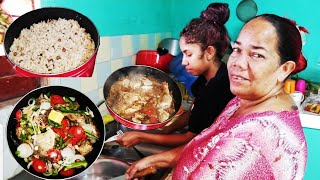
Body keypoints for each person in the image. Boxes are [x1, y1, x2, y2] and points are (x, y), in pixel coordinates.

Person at [125, 14, 308, 179]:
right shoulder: (242, 100)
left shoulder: (253, 140)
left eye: (257, 55)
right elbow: (204, 145)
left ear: (284, 69)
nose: (238, 63)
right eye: (237, 50)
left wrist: (145, 141)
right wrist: (157, 161)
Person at [116, 3, 235, 147]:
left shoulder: (218, 87)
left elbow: (191, 139)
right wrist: (167, 129)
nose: (183, 62)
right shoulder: (205, 79)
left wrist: (141, 137)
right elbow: (192, 113)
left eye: (189, 54)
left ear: (209, 52)